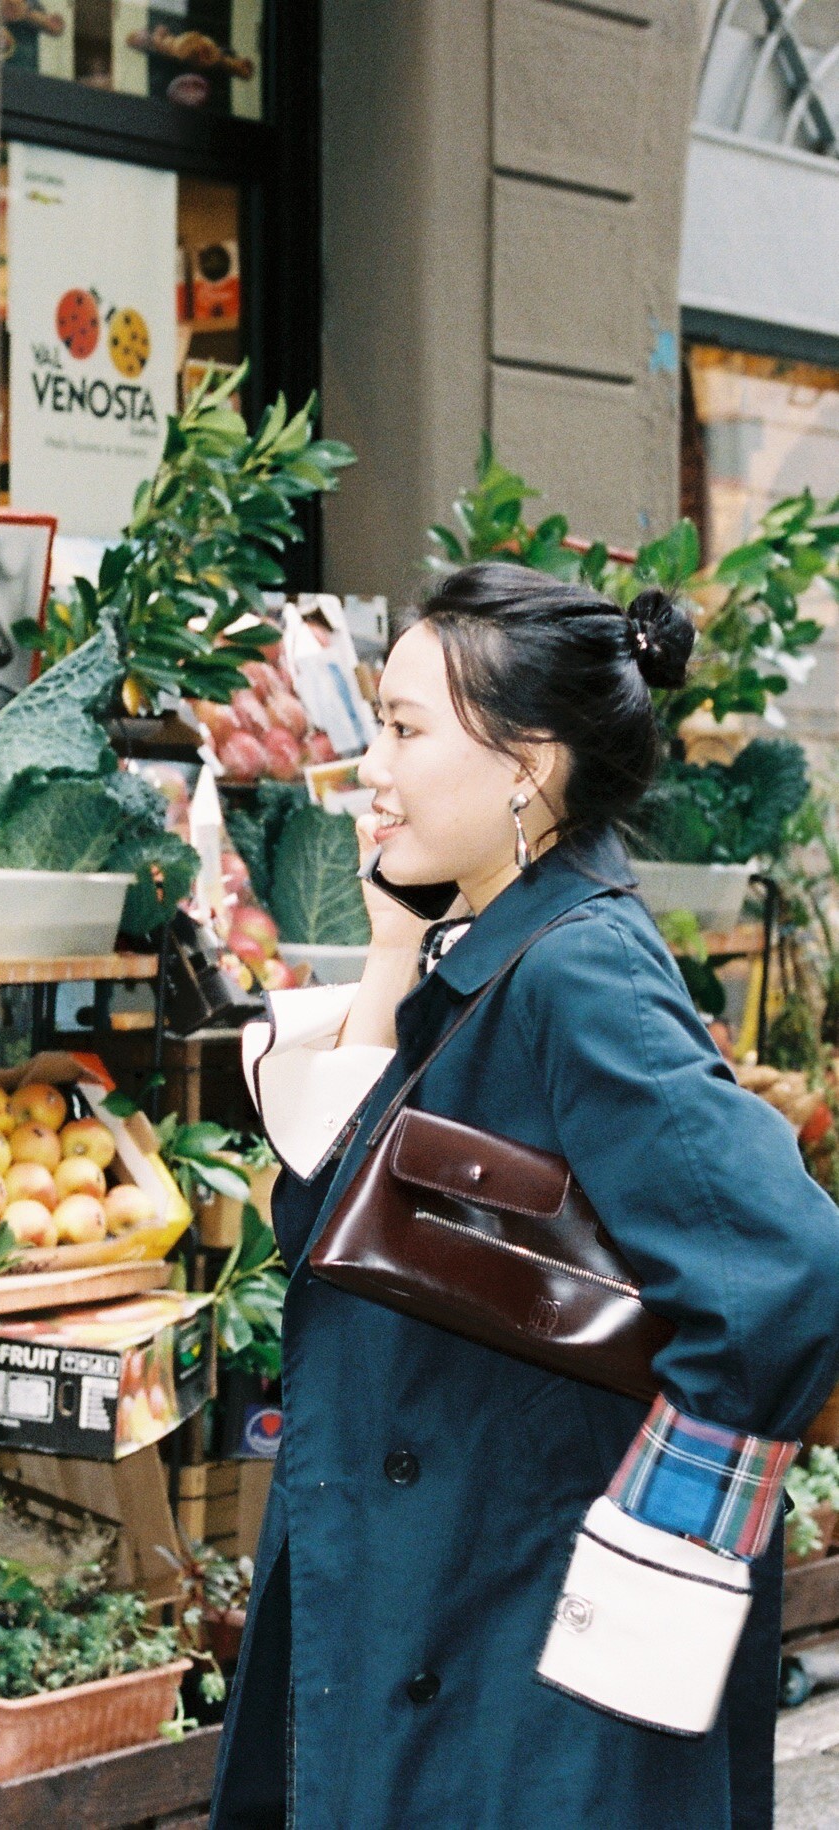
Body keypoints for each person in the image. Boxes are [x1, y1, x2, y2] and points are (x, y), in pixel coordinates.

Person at [209, 562, 839, 1830]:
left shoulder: (577, 971)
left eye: (401, 729)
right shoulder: (496, 948)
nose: (365, 769)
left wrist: (645, 1565)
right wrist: (393, 945)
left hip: (515, 1655)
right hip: (438, 1609)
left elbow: (785, 1273)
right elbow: (344, 1214)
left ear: (524, 766)